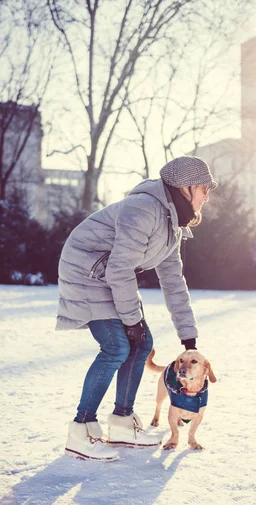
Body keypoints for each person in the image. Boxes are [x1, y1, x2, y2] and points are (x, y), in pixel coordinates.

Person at [56, 155, 217, 461]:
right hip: (85, 271)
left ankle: (121, 423)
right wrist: (132, 321)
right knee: (116, 346)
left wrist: (189, 339)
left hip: (110, 274)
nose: (207, 195)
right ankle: (82, 430)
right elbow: (118, 269)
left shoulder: (173, 225)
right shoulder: (143, 209)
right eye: (203, 188)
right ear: (185, 188)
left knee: (142, 344)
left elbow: (173, 282)